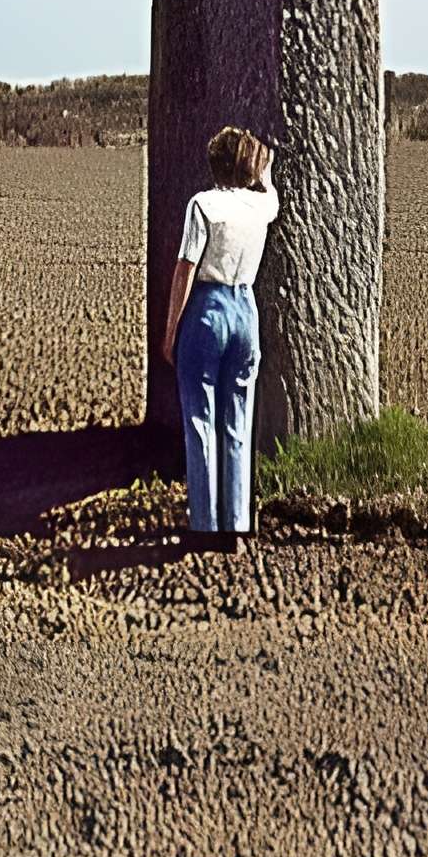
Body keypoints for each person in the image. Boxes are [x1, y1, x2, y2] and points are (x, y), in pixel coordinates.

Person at [161, 124, 279, 548]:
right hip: (246, 309)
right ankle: (238, 525)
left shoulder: (203, 205)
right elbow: (268, 184)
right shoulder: (262, 207)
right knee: (238, 420)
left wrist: (171, 329)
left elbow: (186, 268)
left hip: (208, 309)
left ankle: (204, 526)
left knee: (201, 420)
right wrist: (262, 164)